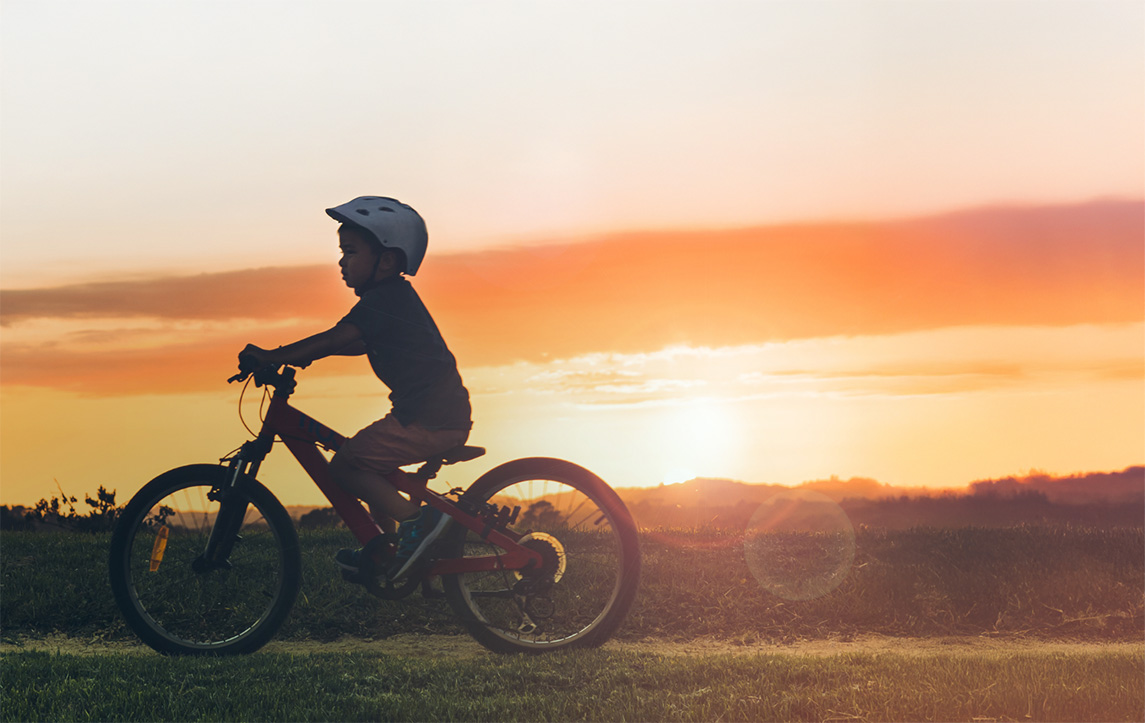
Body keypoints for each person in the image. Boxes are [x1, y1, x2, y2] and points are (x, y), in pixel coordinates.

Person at [238, 196, 472, 581]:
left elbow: (337, 337)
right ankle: (391, 552)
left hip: (428, 420)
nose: (341, 262)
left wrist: (273, 355)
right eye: (342, 252)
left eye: (350, 252)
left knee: (347, 464)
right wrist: (303, 356)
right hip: (432, 415)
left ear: (387, 260)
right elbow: (356, 342)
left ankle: (420, 522)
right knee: (369, 464)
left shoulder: (385, 299)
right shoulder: (390, 301)